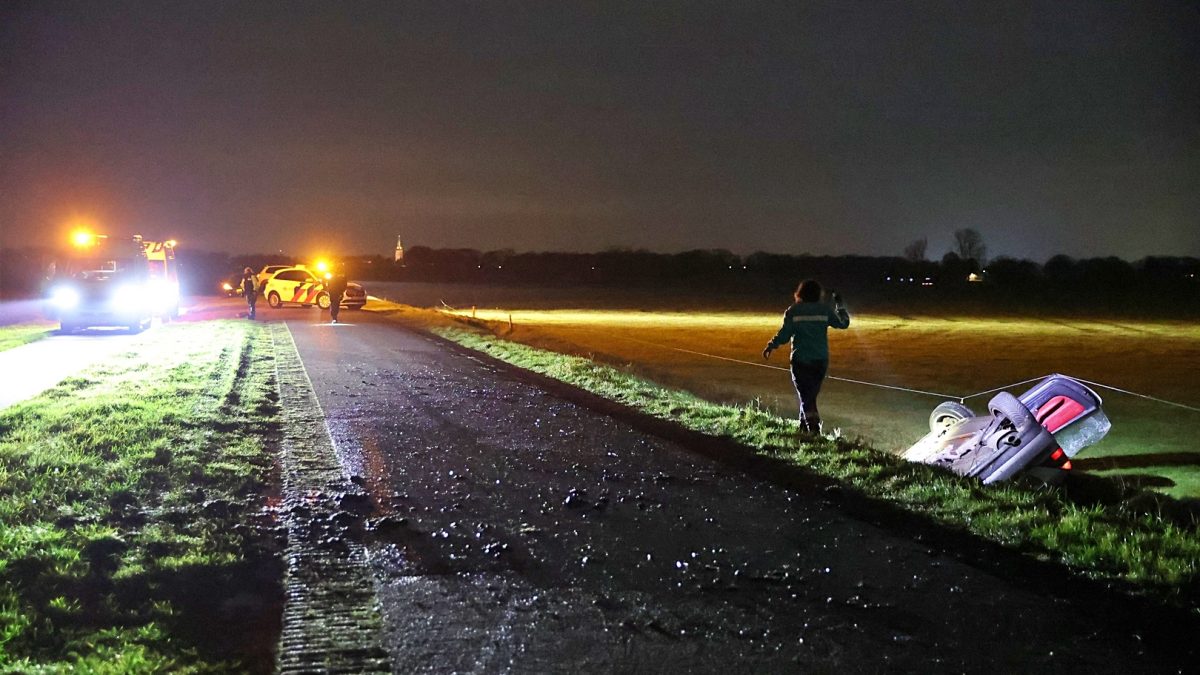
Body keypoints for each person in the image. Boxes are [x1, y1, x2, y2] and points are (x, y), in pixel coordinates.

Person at [762, 279, 850, 434]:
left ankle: (814, 429)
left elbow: (784, 334)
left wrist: (771, 345)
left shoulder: (793, 311)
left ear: (800, 293)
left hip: (800, 360)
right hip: (820, 361)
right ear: (819, 294)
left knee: (806, 397)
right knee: (809, 397)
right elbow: (843, 323)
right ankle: (803, 429)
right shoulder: (825, 310)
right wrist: (840, 305)